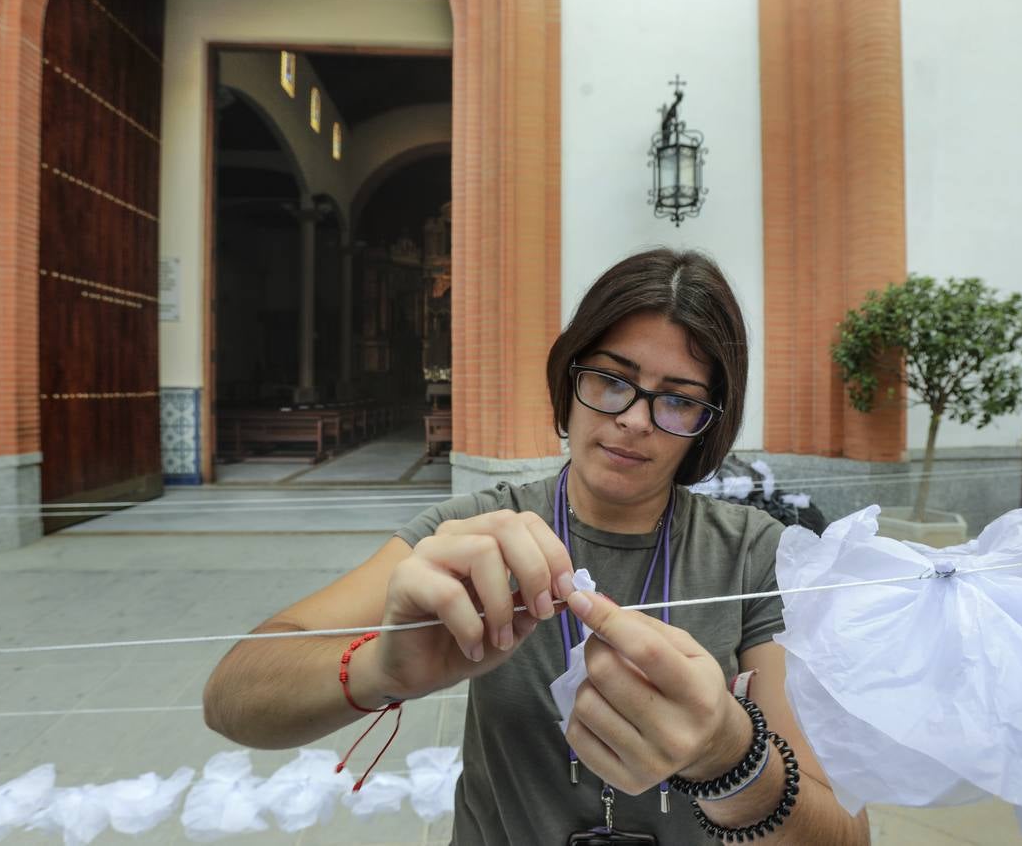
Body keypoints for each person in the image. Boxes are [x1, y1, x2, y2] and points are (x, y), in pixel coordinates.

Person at [203, 248, 871, 844]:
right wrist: (381, 669)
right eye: (612, 379)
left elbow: (846, 835)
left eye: (677, 400)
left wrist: (732, 755)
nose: (634, 418)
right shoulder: (475, 532)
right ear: (569, 379)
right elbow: (232, 696)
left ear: (706, 425)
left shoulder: (756, 556)